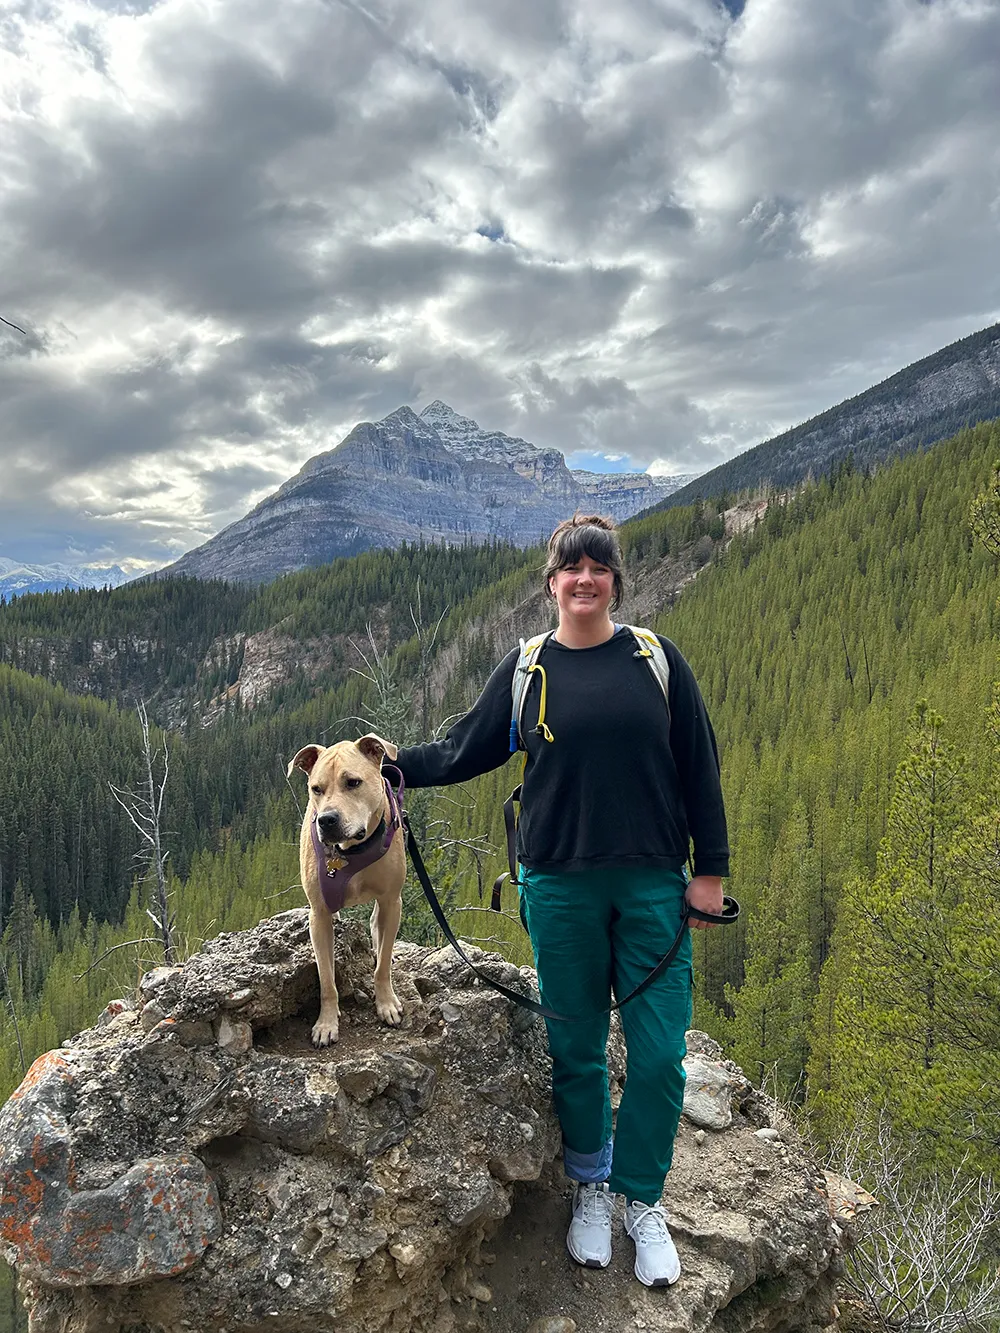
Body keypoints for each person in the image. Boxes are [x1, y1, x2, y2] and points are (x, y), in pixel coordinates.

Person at [393, 513, 729, 1287]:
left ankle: (641, 1199)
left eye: (598, 568)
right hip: (557, 885)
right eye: (570, 568)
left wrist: (708, 873)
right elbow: (463, 747)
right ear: (551, 583)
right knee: (576, 1049)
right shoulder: (526, 669)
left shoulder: (655, 659)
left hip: (652, 885)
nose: (585, 579)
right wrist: (387, 766)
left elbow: (699, 766)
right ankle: (590, 1183)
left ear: (615, 581)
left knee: (659, 1055)